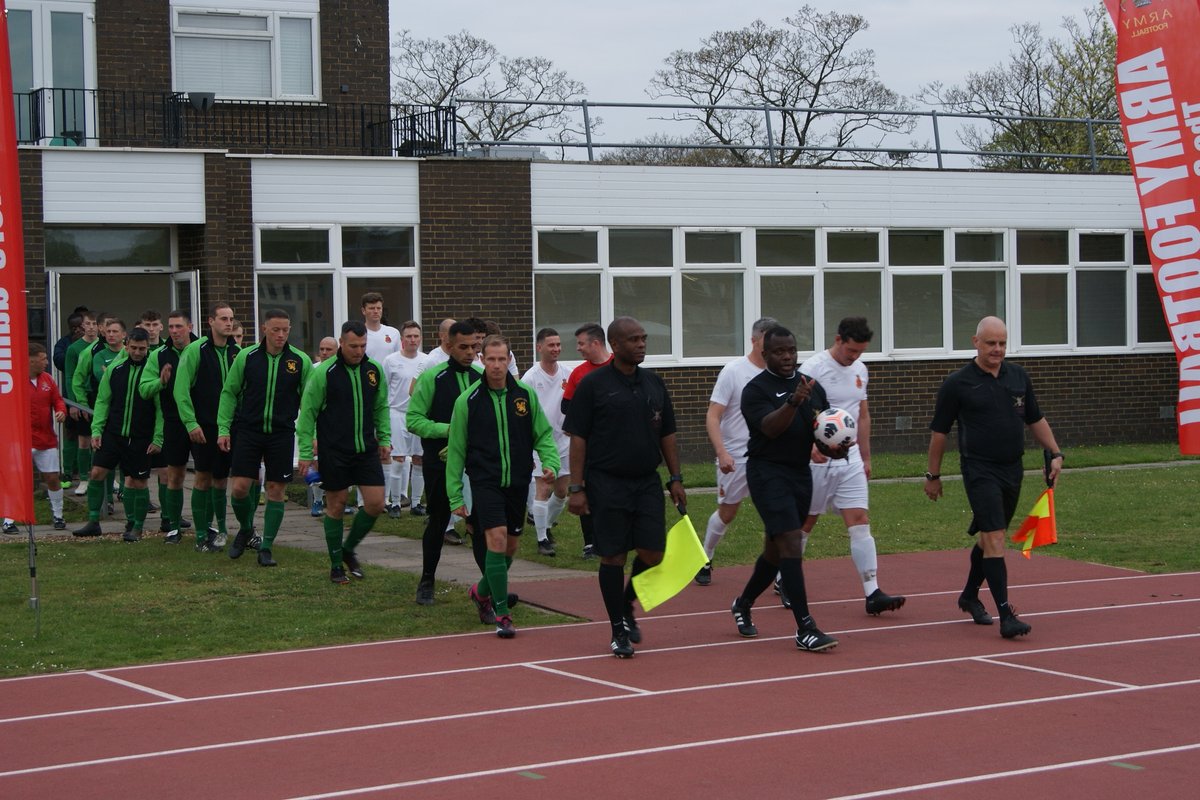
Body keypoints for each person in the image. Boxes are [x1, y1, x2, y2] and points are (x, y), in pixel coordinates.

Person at [925, 316, 1064, 639]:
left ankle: (969, 596)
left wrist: (1056, 453)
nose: (997, 349)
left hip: (1012, 468)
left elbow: (1035, 418)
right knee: (996, 537)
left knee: (991, 537)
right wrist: (933, 475)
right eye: (991, 343)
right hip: (979, 469)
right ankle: (1006, 615)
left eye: (1002, 343)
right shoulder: (957, 383)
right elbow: (939, 433)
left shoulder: (1018, 377)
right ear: (976, 342)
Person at [563, 317, 687, 658]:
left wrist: (675, 478)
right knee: (613, 555)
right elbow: (578, 438)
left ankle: (627, 603)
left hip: (647, 482)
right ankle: (618, 629)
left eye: (644, 338)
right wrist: (577, 487)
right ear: (615, 345)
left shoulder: (654, 384)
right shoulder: (593, 385)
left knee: (653, 552)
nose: (642, 344)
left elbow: (668, 434)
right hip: (606, 482)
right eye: (634, 339)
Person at [729, 325, 840, 653]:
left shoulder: (812, 387)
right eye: (779, 351)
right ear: (765, 355)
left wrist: (836, 446)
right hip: (767, 472)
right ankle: (806, 627)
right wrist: (793, 402)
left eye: (792, 350)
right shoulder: (755, 390)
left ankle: (743, 602)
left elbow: (824, 429)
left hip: (799, 474)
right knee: (792, 540)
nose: (788, 357)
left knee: (776, 551)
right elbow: (770, 429)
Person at [447, 335, 560, 638]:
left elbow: (543, 435)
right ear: (481, 360)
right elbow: (456, 452)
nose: (497, 365)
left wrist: (551, 463)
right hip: (485, 482)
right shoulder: (467, 401)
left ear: (509, 360)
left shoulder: (524, 395)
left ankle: (480, 592)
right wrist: (455, 495)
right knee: (495, 541)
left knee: (510, 547)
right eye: (491, 359)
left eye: (502, 359)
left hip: (517, 482)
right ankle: (503, 614)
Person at [799, 317, 906, 616]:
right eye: (851, 351)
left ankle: (873, 592)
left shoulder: (861, 370)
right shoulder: (812, 369)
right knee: (806, 522)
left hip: (851, 458)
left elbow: (863, 414)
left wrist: (867, 457)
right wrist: (809, 447)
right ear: (838, 339)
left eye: (860, 352)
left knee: (859, 519)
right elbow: (798, 413)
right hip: (819, 461)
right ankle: (785, 577)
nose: (855, 357)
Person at [296, 320, 391, 584]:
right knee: (336, 505)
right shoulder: (324, 372)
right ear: (341, 343)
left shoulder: (373, 370)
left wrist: (384, 438)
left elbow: (381, 406)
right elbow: (308, 414)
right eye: (353, 346)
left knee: (375, 503)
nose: (358, 351)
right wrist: (306, 452)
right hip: (334, 450)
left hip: (366, 449)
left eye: (362, 346)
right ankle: (336, 564)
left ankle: (349, 549)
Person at [218, 309, 312, 567]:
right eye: (276, 330)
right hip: (248, 430)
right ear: (264, 329)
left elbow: (310, 404)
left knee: (275, 490)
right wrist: (223, 429)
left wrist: (309, 440)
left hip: (281, 433)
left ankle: (267, 547)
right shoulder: (247, 357)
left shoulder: (300, 361)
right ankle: (247, 529)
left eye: (285, 330)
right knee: (239, 488)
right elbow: (229, 393)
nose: (281, 335)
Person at [407, 320, 482, 604]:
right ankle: (427, 580)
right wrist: (448, 430)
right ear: (449, 346)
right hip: (440, 461)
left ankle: (487, 590)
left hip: (475, 464)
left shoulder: (480, 378)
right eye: (463, 347)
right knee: (438, 521)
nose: (470, 353)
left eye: (474, 347)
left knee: (479, 524)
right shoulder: (433, 377)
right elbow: (414, 419)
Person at [696, 316, 774, 585]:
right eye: (768, 340)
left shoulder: (781, 372)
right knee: (728, 511)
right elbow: (713, 416)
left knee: (777, 513)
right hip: (736, 457)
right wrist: (722, 452)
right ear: (754, 340)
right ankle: (705, 557)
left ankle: (778, 574)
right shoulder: (733, 371)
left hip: (769, 458)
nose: (774, 347)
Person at [73, 328, 162, 541]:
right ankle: (94, 521)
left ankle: (136, 526)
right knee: (96, 473)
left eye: (142, 349)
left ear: (148, 347)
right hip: (113, 434)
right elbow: (103, 401)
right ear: (126, 344)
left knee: (137, 481)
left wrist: (158, 437)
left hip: (141, 436)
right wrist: (97, 430)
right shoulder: (115, 368)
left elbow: (161, 409)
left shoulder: (152, 371)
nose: (138, 353)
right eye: (133, 348)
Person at [174, 302, 240, 553]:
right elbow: (181, 390)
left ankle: (220, 530)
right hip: (204, 425)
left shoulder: (238, 351)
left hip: (230, 425)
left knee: (222, 479)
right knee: (203, 476)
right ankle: (201, 534)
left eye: (231, 318)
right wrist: (191, 422)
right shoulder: (195, 350)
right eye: (223, 318)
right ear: (210, 321)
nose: (228, 323)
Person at [139, 309, 199, 542]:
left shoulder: (202, 350)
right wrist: (160, 381)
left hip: (201, 421)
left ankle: (205, 528)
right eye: (171, 327)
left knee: (206, 476)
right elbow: (144, 389)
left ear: (190, 327)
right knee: (175, 475)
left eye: (179, 327)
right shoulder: (159, 355)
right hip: (173, 422)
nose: (174, 331)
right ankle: (173, 527)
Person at [2, 344, 68, 533]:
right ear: (31, 360)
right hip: (20, 440)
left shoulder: (47, 379)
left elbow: (57, 400)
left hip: (45, 439)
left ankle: (58, 516)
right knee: (15, 479)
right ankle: (9, 520)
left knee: (53, 478)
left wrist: (61, 411)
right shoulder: (13, 380)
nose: (47, 362)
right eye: (43, 358)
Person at [560, 322, 613, 560]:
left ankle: (612, 538)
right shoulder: (578, 373)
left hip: (615, 446)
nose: (579, 348)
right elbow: (566, 405)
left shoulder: (618, 367)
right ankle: (590, 543)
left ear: (596, 343)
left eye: (581, 343)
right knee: (586, 490)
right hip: (587, 446)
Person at [521, 327, 574, 556]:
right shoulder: (530, 378)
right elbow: (523, 412)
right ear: (539, 347)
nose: (556, 349)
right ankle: (542, 539)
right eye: (551, 345)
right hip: (540, 442)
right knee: (543, 487)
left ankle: (545, 523)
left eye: (558, 345)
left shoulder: (568, 374)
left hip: (564, 440)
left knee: (561, 492)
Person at [382, 321, 428, 517]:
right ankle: (395, 503)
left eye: (416, 336)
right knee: (398, 459)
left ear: (420, 338)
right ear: (402, 340)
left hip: (419, 416)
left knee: (419, 460)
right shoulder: (391, 360)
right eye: (408, 336)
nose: (412, 340)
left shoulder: (427, 361)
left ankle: (416, 503)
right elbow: (383, 391)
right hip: (397, 415)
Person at [62, 310, 97, 491]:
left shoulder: (103, 346)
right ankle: (83, 478)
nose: (91, 327)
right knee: (83, 439)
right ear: (82, 325)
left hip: (99, 398)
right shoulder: (74, 349)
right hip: (82, 398)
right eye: (88, 324)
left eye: (94, 324)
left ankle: (106, 477)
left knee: (104, 439)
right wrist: (73, 403)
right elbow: (70, 377)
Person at [361, 291, 401, 363]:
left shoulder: (394, 333)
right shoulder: (358, 334)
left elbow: (399, 358)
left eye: (379, 308)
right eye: (372, 308)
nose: (376, 311)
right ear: (363, 311)